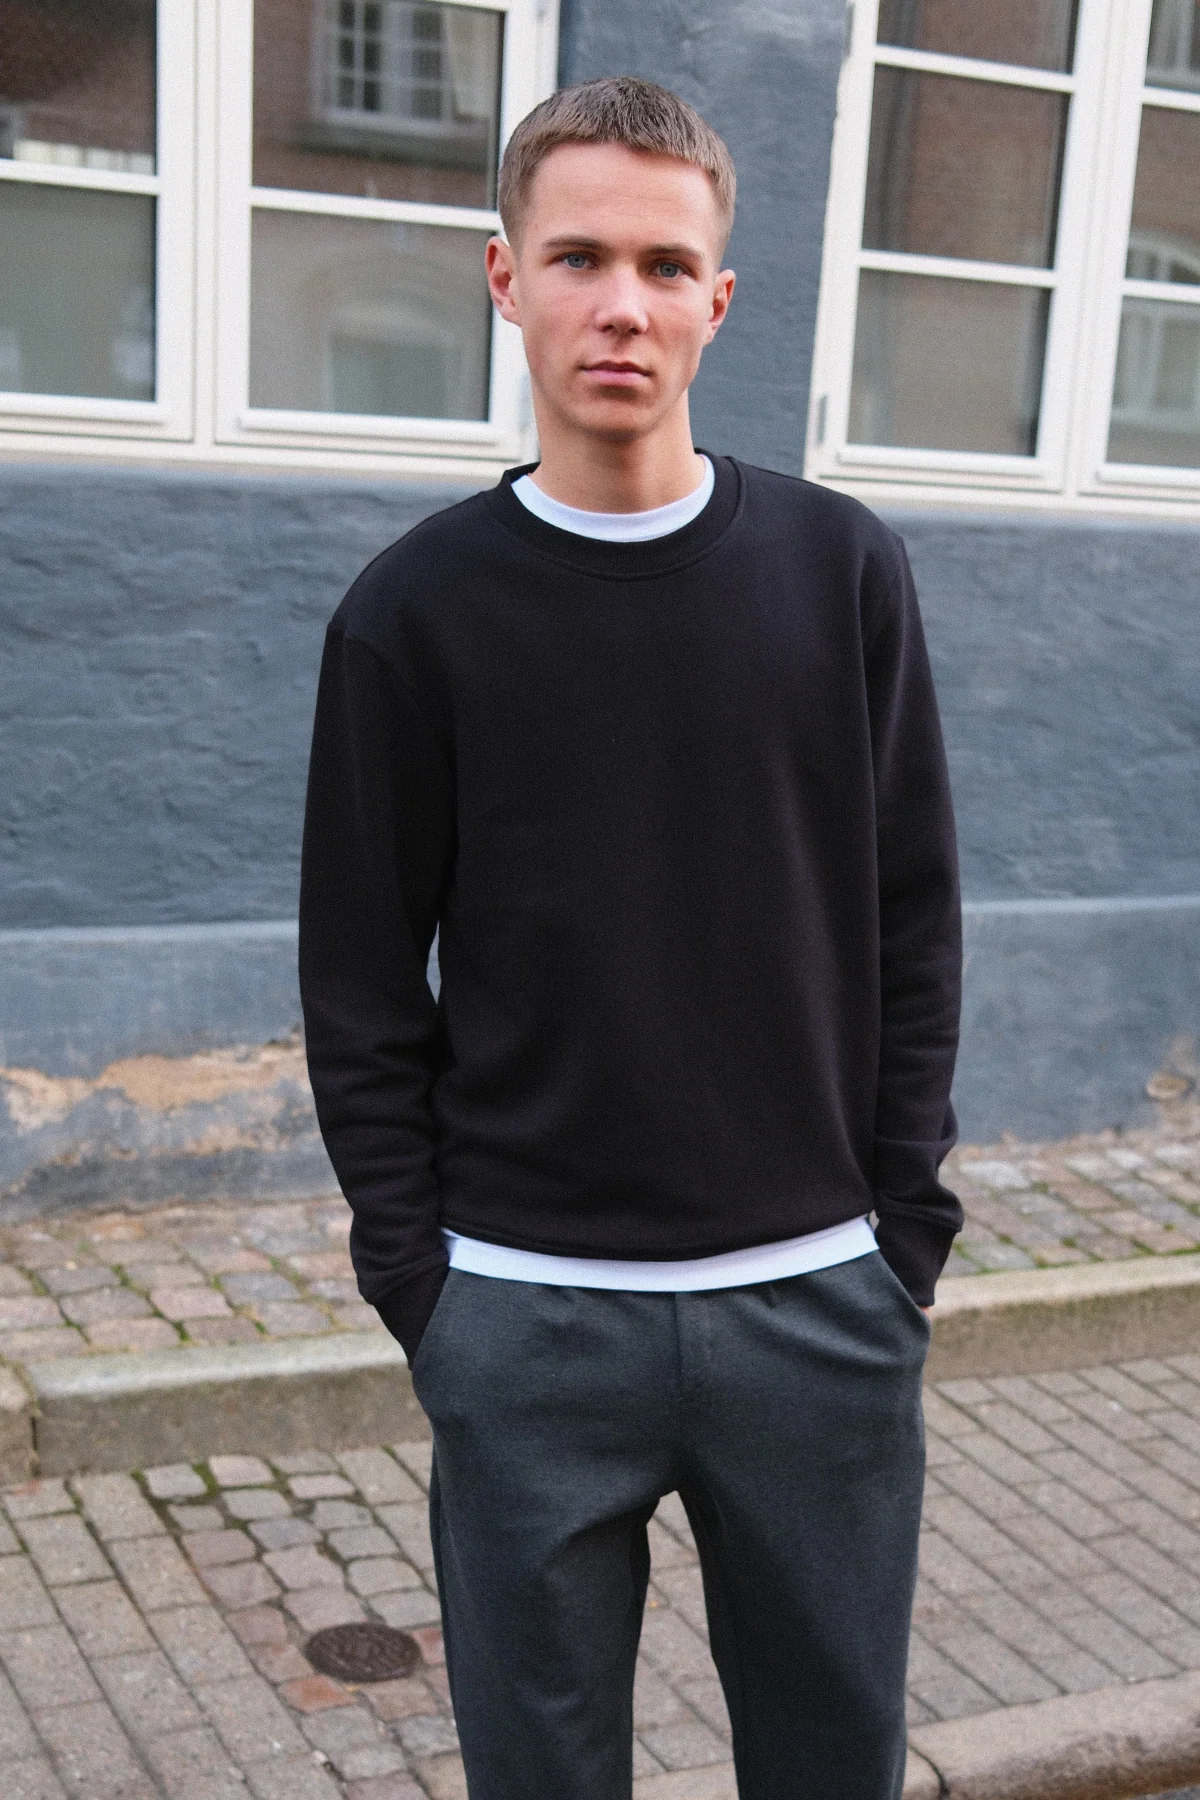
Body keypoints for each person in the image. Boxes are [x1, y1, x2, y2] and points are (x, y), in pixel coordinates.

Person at [299, 75, 962, 1800]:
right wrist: (423, 1284)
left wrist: (901, 1233)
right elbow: (359, 981)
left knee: (834, 1766)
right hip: (525, 1319)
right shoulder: (412, 614)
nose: (622, 305)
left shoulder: (839, 572)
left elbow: (913, 916)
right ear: (503, 278)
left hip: (816, 1305)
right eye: (579, 257)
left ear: (717, 300)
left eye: (665, 266)